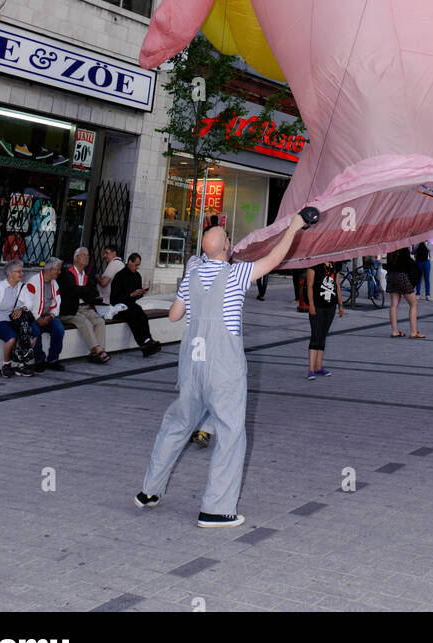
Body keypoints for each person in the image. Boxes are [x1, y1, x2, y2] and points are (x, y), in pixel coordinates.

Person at [137, 209, 315, 527]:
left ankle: (149, 491)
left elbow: (175, 316)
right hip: (223, 365)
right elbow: (275, 258)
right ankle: (216, 509)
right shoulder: (236, 274)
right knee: (231, 433)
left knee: (176, 424)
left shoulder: (191, 274)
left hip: (192, 363)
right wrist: (294, 227)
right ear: (225, 248)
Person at [58, 249, 111, 363]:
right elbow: (72, 290)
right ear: (75, 258)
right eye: (83, 255)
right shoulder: (67, 273)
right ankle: (98, 350)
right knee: (84, 322)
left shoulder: (87, 275)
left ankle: (96, 354)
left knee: (99, 321)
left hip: (84, 307)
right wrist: (85, 291)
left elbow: (93, 293)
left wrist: (83, 291)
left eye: (87, 255)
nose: (86, 258)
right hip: (70, 309)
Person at [0, 259, 36, 376]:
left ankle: (21, 364)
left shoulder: (22, 286)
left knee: (34, 332)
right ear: (9, 274)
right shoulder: (0, 288)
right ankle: (6, 364)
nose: (22, 274)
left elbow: (30, 303)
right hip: (1, 320)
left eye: (21, 271)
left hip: (17, 320)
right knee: (12, 338)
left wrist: (21, 309)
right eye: (18, 272)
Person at [110, 253, 161, 355]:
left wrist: (140, 293)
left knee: (142, 315)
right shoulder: (119, 276)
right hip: (119, 307)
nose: (137, 267)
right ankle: (143, 343)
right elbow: (114, 298)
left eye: (138, 265)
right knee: (133, 316)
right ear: (129, 262)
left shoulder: (137, 276)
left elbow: (136, 296)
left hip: (131, 305)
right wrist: (130, 295)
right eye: (136, 265)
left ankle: (148, 339)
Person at [25, 259, 67, 372]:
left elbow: (57, 303)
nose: (59, 272)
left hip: (48, 316)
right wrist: (37, 318)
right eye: (58, 269)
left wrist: (50, 316)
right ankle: (39, 360)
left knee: (59, 329)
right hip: (32, 316)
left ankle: (53, 360)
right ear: (51, 270)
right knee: (35, 331)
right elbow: (28, 304)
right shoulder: (33, 282)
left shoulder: (54, 283)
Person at [305, 259, 344, 377]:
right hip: (317, 306)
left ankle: (319, 367)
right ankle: (311, 369)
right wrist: (311, 305)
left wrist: (340, 305)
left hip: (330, 306)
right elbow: (309, 286)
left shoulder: (334, 267)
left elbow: (337, 286)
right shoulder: (314, 266)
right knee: (315, 335)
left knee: (323, 335)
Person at [386, 246, 426, 337]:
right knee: (413, 304)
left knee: (394, 305)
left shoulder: (390, 250)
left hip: (391, 277)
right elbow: (408, 264)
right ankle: (413, 332)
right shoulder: (403, 249)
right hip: (402, 277)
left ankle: (395, 331)